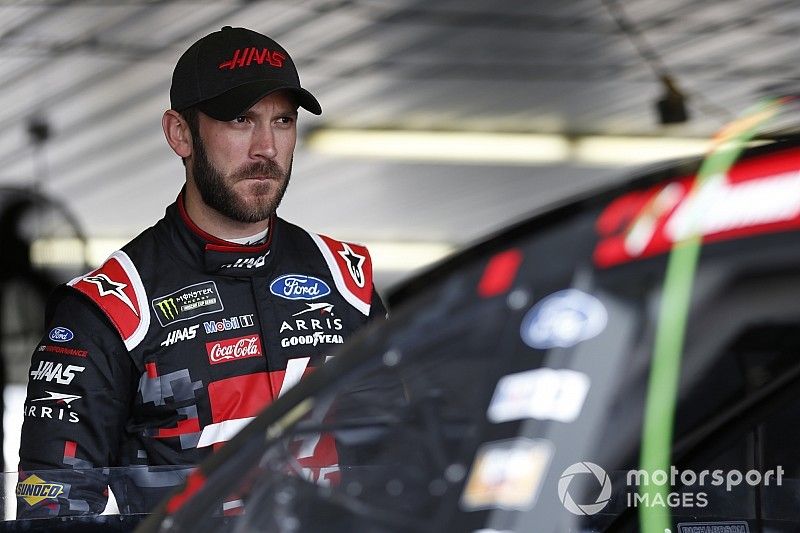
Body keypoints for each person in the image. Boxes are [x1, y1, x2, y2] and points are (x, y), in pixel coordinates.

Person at [17, 26, 386, 517]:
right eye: (240, 120)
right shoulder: (110, 308)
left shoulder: (347, 282)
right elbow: (51, 510)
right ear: (180, 133)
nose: (266, 148)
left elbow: (407, 463)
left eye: (282, 121)